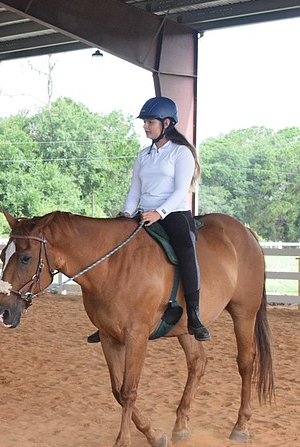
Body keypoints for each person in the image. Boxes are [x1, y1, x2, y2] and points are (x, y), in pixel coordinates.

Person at [88, 96, 210, 343]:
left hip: (174, 213)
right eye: (144, 122)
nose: (145, 126)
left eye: (150, 122)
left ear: (166, 123)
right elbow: (135, 189)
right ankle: (110, 320)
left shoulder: (181, 153)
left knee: (186, 250)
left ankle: (195, 316)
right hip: (144, 213)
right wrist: (126, 213)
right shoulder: (143, 155)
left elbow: (179, 191)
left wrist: (159, 213)